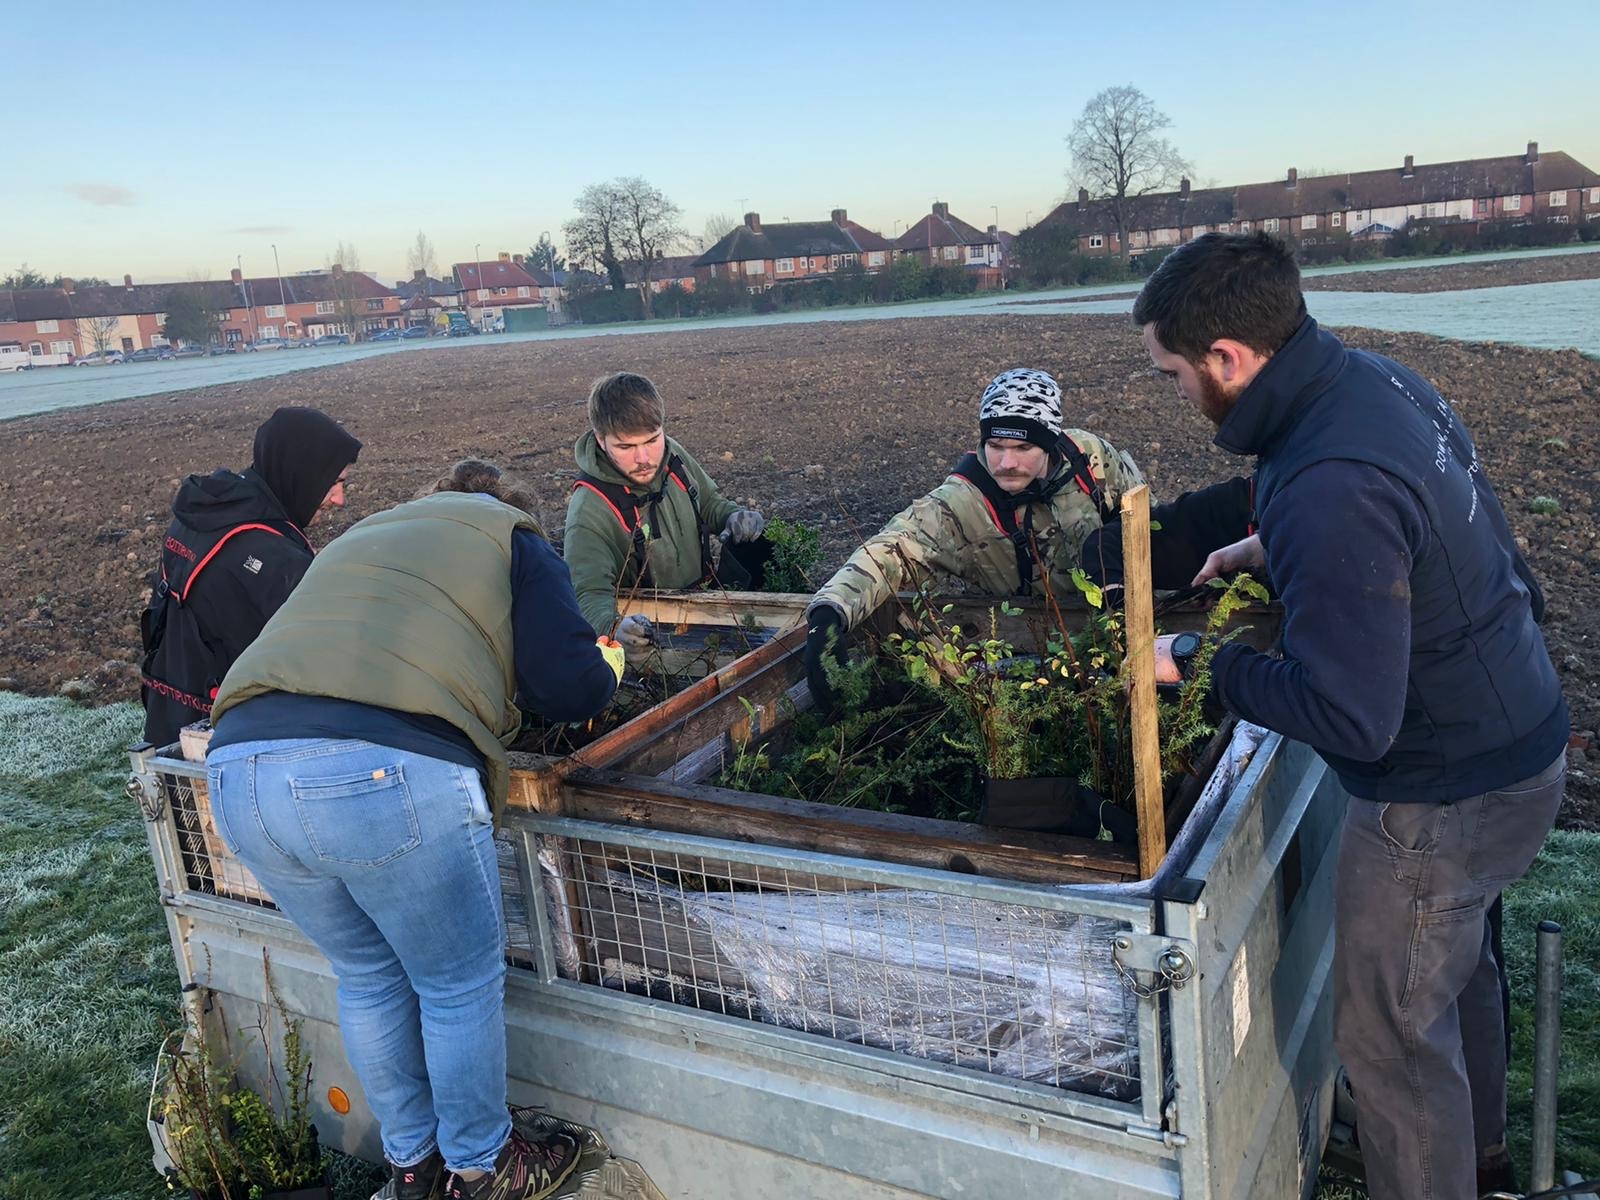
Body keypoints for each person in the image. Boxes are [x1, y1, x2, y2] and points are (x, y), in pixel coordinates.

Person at [1132, 232, 1568, 1200]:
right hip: (1515, 732)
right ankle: (1483, 1158)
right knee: (1453, 972)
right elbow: (1417, 527)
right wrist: (1265, 549)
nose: (1174, 392)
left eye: (1173, 374)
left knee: (1388, 1040)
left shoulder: (1327, 483)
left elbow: (1350, 717)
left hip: (1439, 798)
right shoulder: (1370, 382)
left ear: (1229, 359)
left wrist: (1204, 662)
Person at [205, 460, 624, 1200]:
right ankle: (483, 1165)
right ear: (511, 509)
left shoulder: (365, 535)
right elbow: (567, 684)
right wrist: (608, 671)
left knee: (367, 975)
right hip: (378, 772)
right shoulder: (516, 538)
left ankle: (413, 1164)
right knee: (456, 982)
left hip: (240, 767)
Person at [803, 367, 1145, 709]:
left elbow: (1151, 527)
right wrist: (830, 613)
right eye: (995, 445)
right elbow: (894, 547)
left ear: (1049, 441)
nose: (1007, 462)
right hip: (1019, 662)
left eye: (1023, 446)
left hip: (1119, 639)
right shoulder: (963, 501)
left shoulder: (1091, 459)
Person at [139, 406, 361, 747]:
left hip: (167, 714)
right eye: (335, 483)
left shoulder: (207, 511)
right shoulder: (273, 555)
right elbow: (320, 660)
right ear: (302, 473)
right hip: (221, 737)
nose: (340, 500)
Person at [562, 371, 768, 660]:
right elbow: (587, 592)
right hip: (649, 641)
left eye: (651, 440)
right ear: (600, 439)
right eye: (626, 447)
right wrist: (615, 628)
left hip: (706, 609)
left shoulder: (673, 457)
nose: (644, 458)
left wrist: (735, 517)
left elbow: (709, 503)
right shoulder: (589, 509)